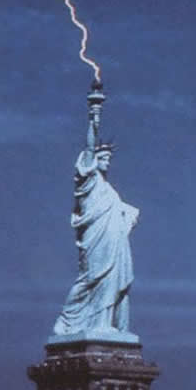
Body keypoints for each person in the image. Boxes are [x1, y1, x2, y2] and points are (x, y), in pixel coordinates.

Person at [52, 98, 139, 336]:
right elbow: (90, 148)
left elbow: (124, 213)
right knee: (90, 278)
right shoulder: (88, 180)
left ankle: (103, 324)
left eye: (109, 159)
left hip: (114, 241)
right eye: (103, 158)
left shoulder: (109, 190)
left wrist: (129, 215)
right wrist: (94, 117)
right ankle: (67, 320)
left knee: (111, 280)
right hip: (96, 240)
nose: (107, 162)